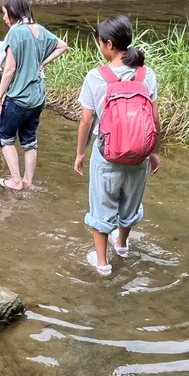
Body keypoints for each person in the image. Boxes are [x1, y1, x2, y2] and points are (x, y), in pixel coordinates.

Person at [74, 16, 161, 276]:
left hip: (106, 155)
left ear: (109, 44)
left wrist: (80, 153)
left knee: (102, 206)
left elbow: (85, 121)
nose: (99, 47)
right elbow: (155, 119)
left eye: (100, 43)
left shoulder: (96, 77)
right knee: (130, 204)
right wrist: (154, 152)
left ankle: (102, 263)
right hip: (140, 156)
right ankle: (122, 245)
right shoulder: (146, 73)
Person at [0, 0, 67, 190]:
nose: (4, 17)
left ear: (13, 12)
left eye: (5, 12)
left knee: (5, 138)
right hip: (38, 98)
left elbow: (9, 69)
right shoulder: (40, 29)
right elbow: (62, 46)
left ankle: (15, 181)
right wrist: (42, 63)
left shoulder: (17, 33)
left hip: (18, 97)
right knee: (29, 140)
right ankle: (28, 181)